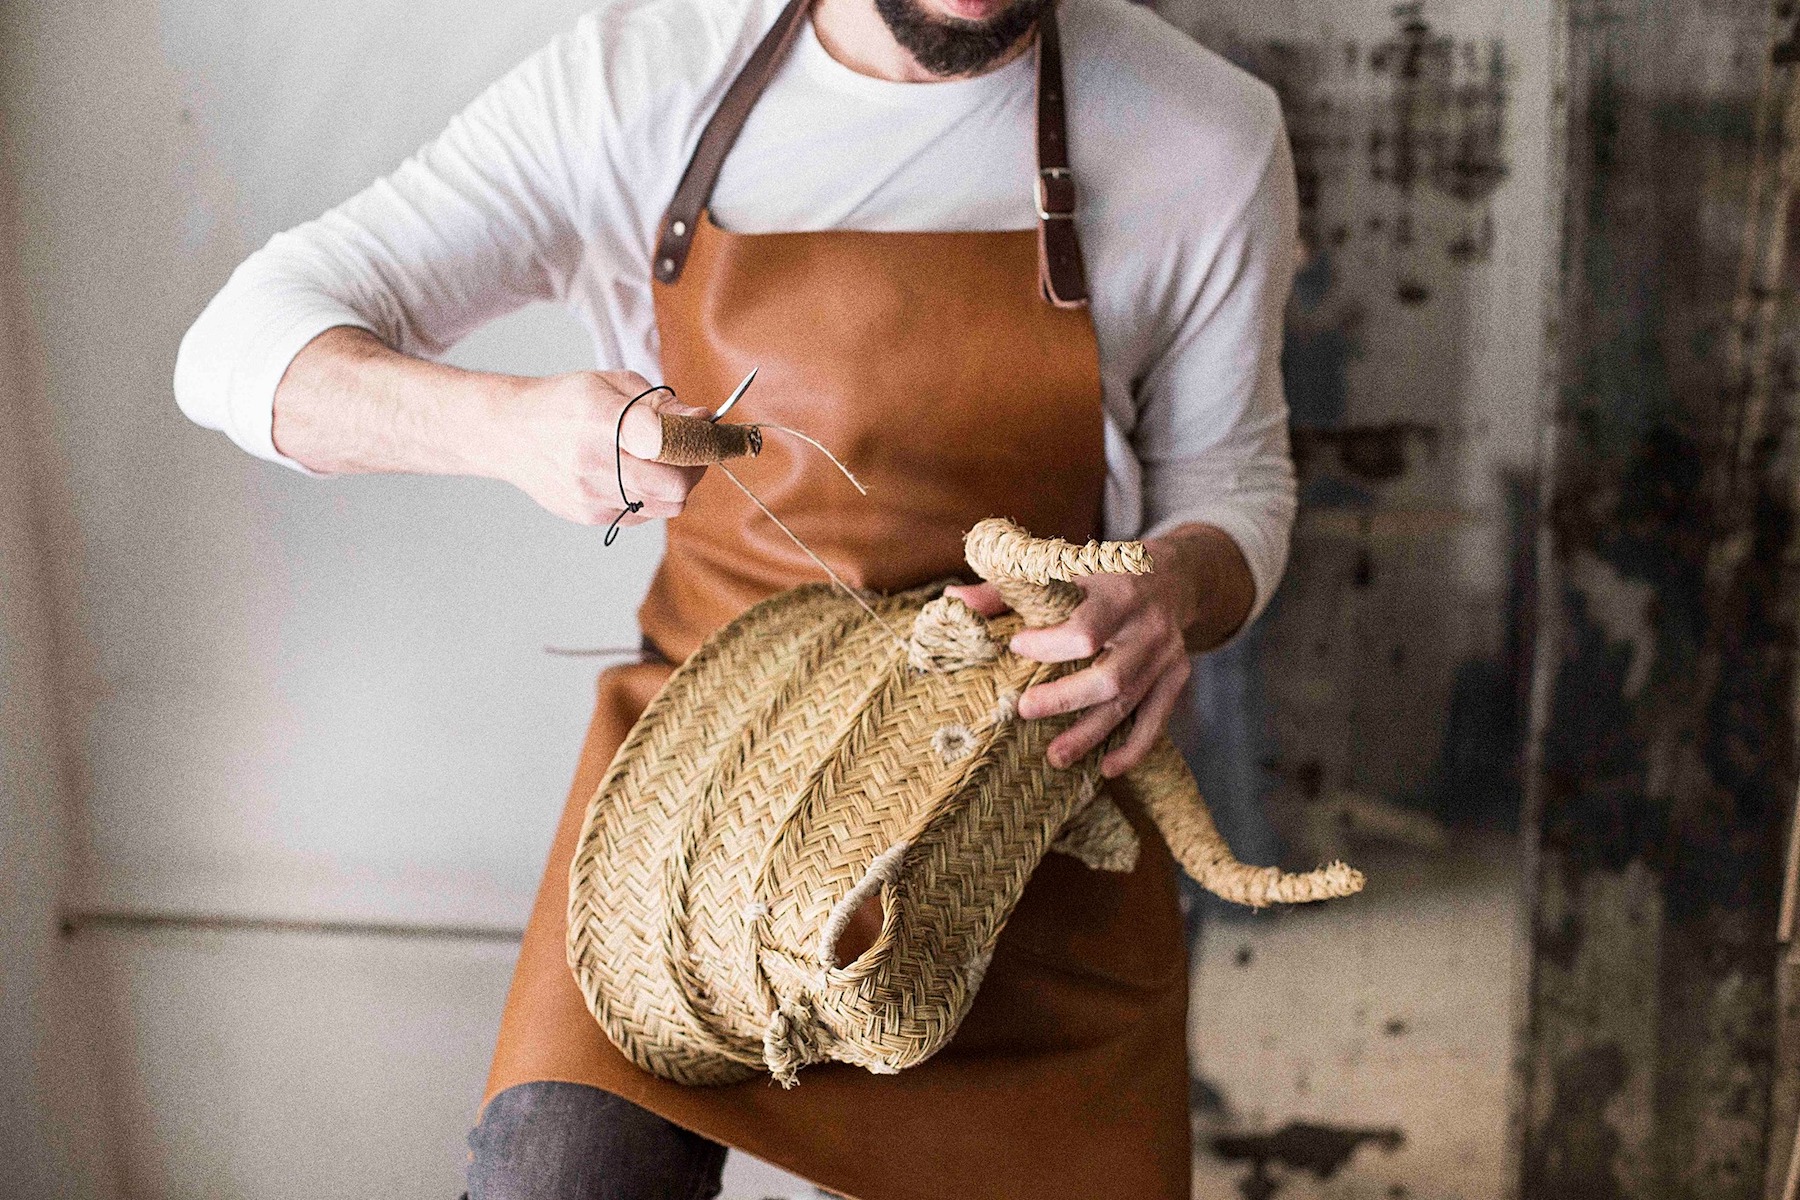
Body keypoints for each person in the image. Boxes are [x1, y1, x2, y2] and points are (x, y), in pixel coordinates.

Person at [173, 0, 1298, 1191]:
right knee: (560, 1175)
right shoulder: (636, 81)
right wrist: (507, 426)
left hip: (1023, 796)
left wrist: (1174, 587)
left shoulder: (1205, 133)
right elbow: (234, 348)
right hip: (705, 784)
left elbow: (1237, 486)